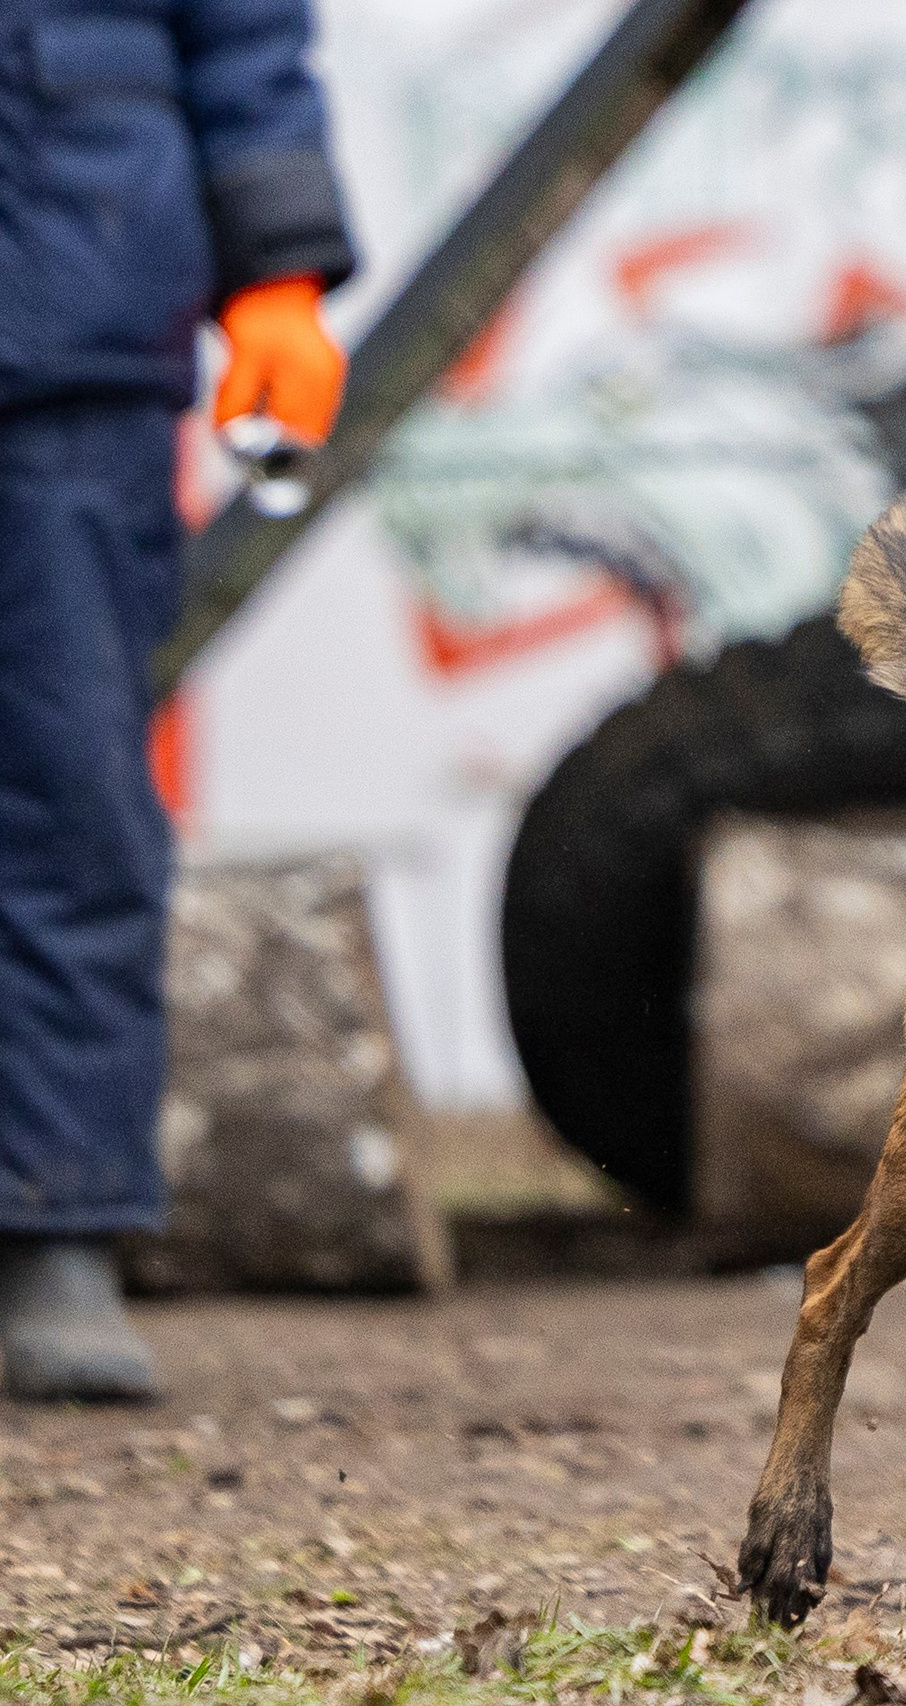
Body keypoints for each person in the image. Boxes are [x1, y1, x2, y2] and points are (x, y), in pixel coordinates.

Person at [0, 0, 354, 1402]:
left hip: (74, 295)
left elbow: (246, 26)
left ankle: (54, 1224)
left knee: (69, 787)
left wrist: (278, 266)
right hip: (86, 247)